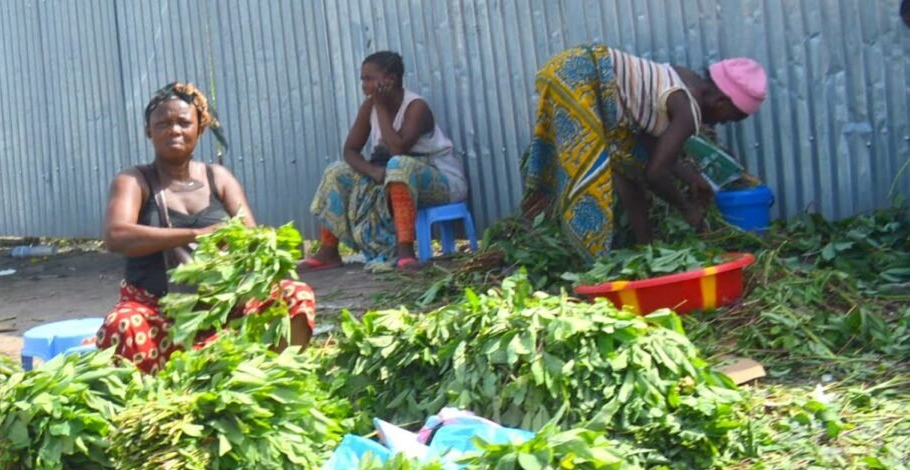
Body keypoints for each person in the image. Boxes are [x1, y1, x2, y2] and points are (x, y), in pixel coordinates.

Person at [98, 82, 315, 373]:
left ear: (200, 128)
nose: (173, 130)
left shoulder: (218, 177)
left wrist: (239, 244)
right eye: (163, 123)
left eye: (183, 123)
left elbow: (253, 239)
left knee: (294, 294)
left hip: (224, 312)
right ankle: (156, 399)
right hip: (158, 313)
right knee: (122, 324)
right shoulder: (134, 180)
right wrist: (194, 235)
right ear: (148, 131)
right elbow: (116, 235)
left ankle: (274, 377)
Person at [521, 46, 767, 260]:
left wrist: (691, 177)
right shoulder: (689, 110)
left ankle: (646, 251)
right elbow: (656, 174)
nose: (727, 123)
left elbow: (651, 154)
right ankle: (592, 272)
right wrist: (688, 209)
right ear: (721, 102)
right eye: (733, 118)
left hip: (575, 69)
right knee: (589, 179)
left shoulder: (684, 78)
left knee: (630, 167)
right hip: (581, 78)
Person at [300, 51, 468, 273]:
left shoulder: (416, 107)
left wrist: (380, 107)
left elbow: (398, 149)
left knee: (398, 165)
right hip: (392, 174)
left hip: (442, 181)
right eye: (362, 79)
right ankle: (329, 251)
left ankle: (405, 253)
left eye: (369, 79)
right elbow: (350, 150)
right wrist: (372, 171)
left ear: (391, 79)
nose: (364, 85)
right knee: (336, 171)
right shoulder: (369, 107)